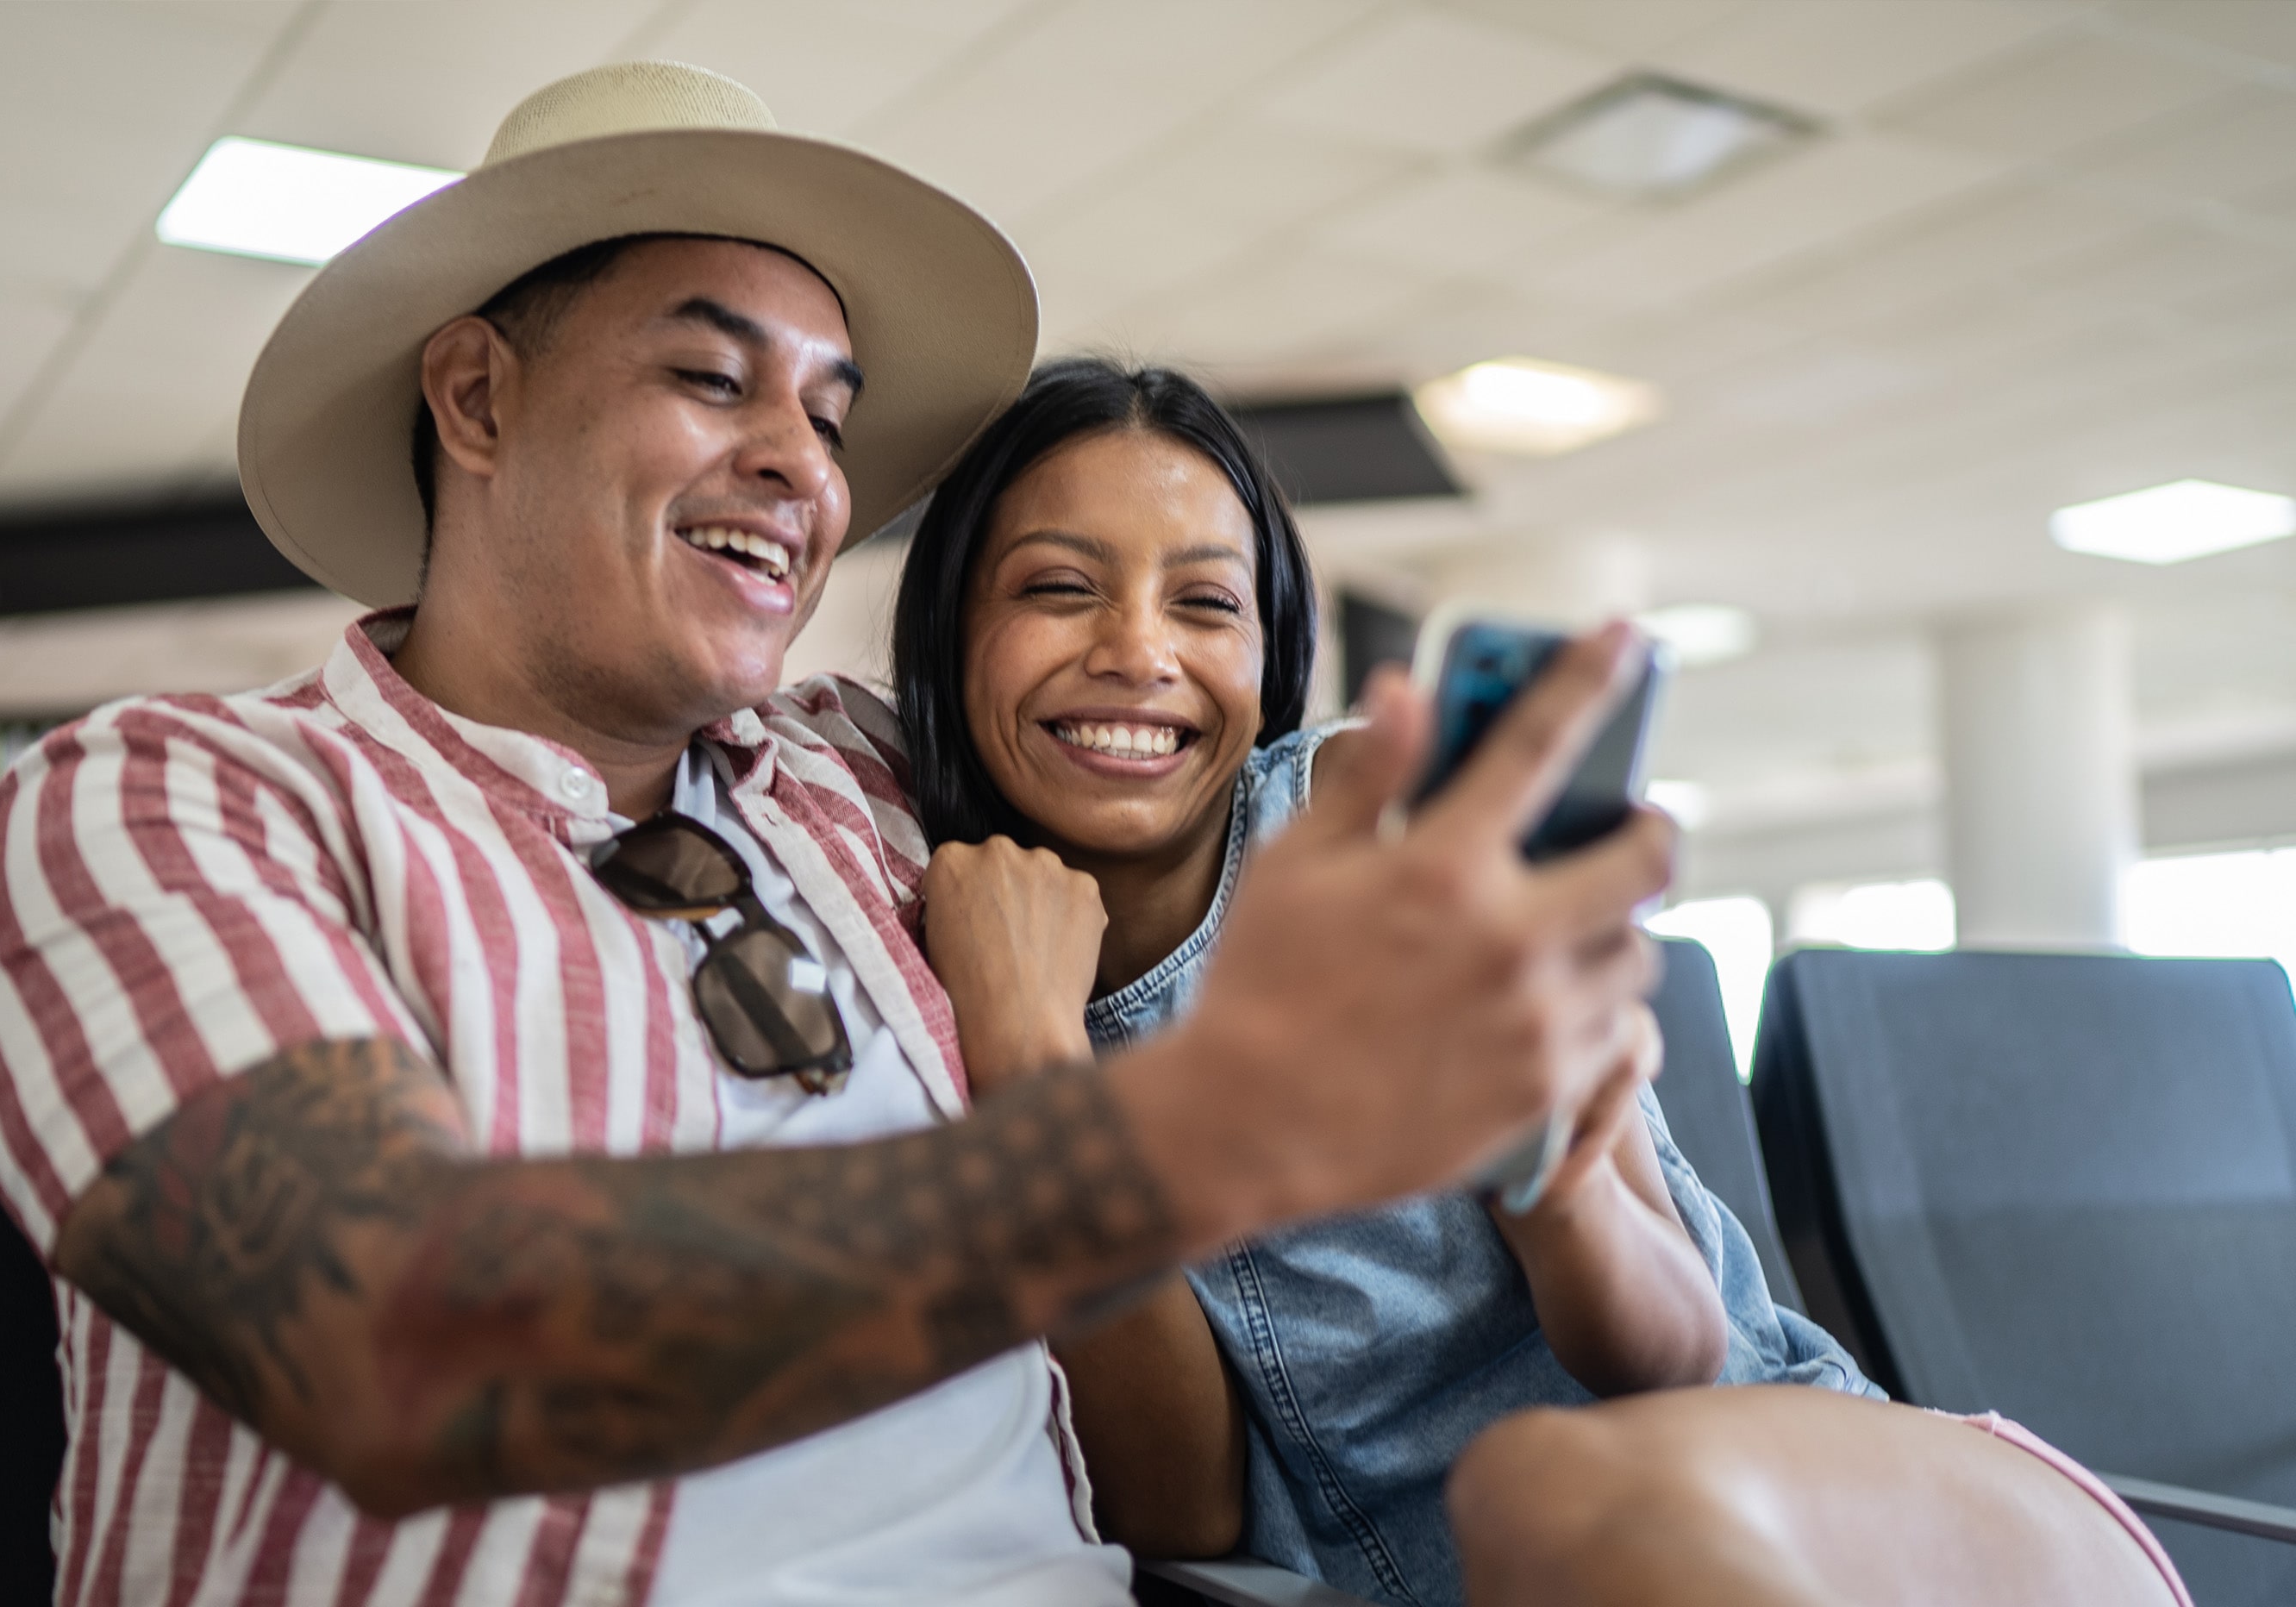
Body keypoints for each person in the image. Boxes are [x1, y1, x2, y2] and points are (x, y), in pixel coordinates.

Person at [0, 63, 1671, 1606]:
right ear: (472, 397)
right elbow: (400, 1346)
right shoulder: (168, 805)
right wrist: (1191, 1127)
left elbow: (1144, 726)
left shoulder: (860, 795)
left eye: (829, 417)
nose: (804, 471)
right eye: (712, 380)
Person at [900, 357, 2193, 1607]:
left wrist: (1556, 1177)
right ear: (956, 628)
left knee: (1538, 1485)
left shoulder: (1391, 831)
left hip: (1848, 1521)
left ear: (1269, 650)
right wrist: (1031, 1057)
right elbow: (1182, 1516)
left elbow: (1683, 1352)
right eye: (1062, 588)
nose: (1139, 650)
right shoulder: (915, 973)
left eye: (1205, 603)